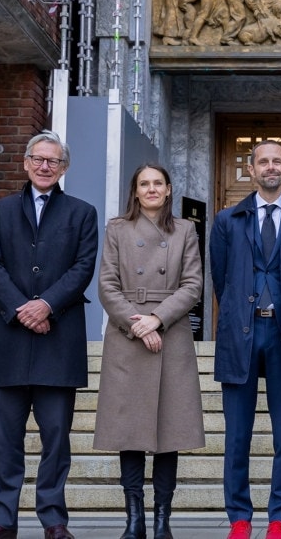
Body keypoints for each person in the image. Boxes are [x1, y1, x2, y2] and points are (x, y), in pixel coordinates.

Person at [0, 130, 99, 539]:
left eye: (53, 161)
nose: (45, 166)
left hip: (59, 339)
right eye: (38, 159)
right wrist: (20, 309)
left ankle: (53, 519)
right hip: (11, 339)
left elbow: (82, 268)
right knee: (6, 440)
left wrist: (46, 304)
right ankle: (1, 520)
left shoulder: (82, 213)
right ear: (26, 163)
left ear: (63, 168)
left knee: (56, 438)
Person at [210, 141, 281, 539]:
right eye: (263, 162)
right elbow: (221, 279)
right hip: (241, 333)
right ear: (251, 170)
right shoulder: (227, 220)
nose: (270, 167)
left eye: (277, 161)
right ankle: (239, 518)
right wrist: (242, 314)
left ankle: (279, 519)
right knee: (237, 436)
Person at [95, 164, 205, 539]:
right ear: (135, 191)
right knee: (129, 431)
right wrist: (136, 323)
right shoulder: (117, 229)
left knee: (167, 432)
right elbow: (107, 285)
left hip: (170, 335)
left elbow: (193, 286)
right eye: (145, 184)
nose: (152, 189)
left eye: (158, 183)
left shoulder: (186, 230)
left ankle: (162, 522)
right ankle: (134, 520)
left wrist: (157, 319)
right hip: (127, 337)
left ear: (169, 189)